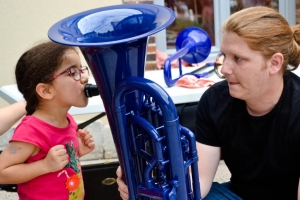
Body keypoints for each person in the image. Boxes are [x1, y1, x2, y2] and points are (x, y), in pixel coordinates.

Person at [116, 6, 300, 199]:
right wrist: (151, 188)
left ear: (275, 63)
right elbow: (198, 185)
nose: (225, 68)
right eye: (225, 56)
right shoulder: (214, 100)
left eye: (238, 58)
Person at [0, 41, 95, 200]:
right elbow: (2, 172)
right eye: (73, 72)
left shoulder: (67, 120)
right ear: (46, 90)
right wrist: (44, 166)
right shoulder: (32, 129)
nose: (84, 78)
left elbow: (58, 166)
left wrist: (77, 153)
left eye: (82, 70)